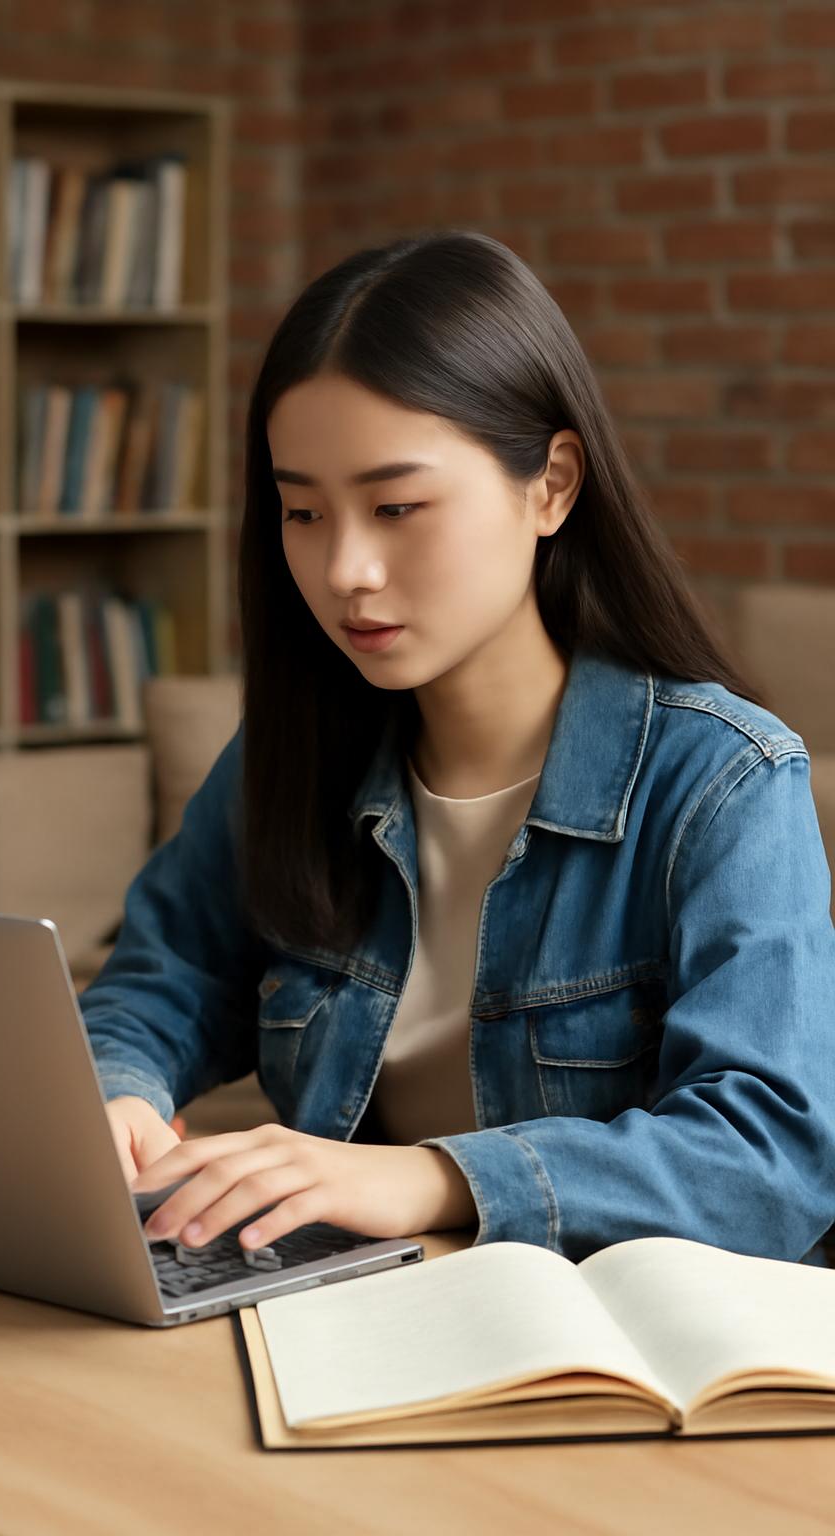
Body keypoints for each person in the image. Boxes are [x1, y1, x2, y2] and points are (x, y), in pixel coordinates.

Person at [80, 229, 835, 1267]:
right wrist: (117, 1087)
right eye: (302, 510)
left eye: (396, 507)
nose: (345, 567)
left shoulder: (721, 782)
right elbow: (161, 976)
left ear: (552, 486)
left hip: (602, 1360)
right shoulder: (293, 756)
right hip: (353, 1315)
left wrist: (428, 1177)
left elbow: (769, 1160)